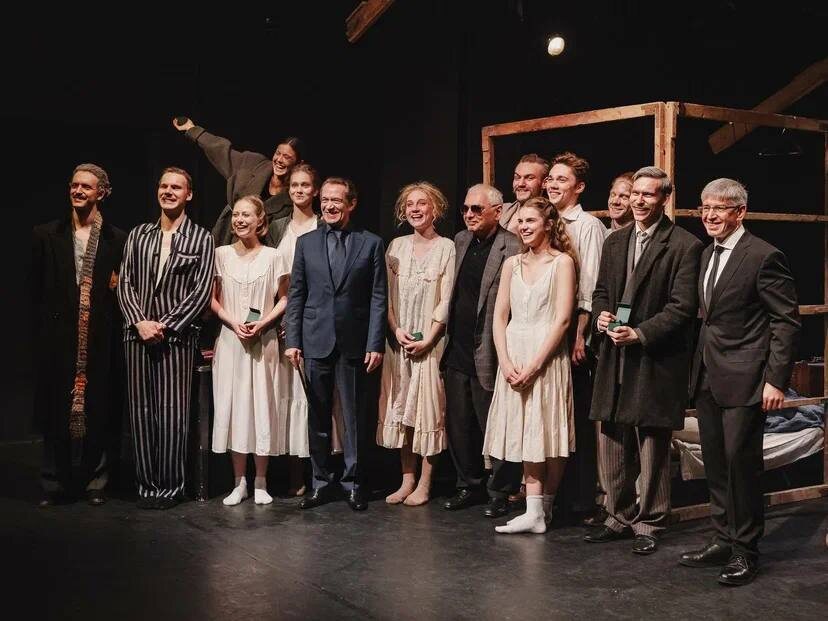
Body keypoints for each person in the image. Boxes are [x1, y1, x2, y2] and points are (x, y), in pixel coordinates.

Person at [679, 178, 800, 586]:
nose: (710, 215)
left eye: (719, 208)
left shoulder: (764, 256)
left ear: (740, 212)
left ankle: (745, 551)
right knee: (715, 462)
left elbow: (785, 322)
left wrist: (775, 381)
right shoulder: (705, 253)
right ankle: (723, 539)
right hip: (709, 375)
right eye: (705, 208)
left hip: (747, 378)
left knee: (740, 465)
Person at [585, 166, 702, 553]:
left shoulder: (684, 245)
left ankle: (649, 522)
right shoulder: (615, 241)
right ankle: (616, 515)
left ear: (664, 199)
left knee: (651, 440)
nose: (638, 200)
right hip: (614, 353)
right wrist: (601, 317)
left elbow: (683, 307)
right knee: (611, 434)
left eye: (648, 194)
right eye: (635, 193)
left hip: (654, 358)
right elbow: (602, 292)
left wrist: (641, 333)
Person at [284, 177, 387, 511]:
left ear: (351, 204)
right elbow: (296, 294)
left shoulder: (370, 243)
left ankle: (353, 483)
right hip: (315, 340)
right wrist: (292, 339)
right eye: (325, 200)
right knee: (317, 416)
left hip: (354, 342)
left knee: (354, 417)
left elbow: (378, 297)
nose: (329, 206)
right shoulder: (306, 243)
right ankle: (320, 482)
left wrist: (375, 343)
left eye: (336, 201)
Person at [117, 167, 215, 509]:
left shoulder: (201, 238)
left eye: (176, 187)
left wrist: (165, 325)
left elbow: (200, 292)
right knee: (141, 412)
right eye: (164, 186)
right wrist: (139, 322)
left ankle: (170, 488)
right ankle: (147, 486)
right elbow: (125, 283)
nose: (168, 191)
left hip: (175, 339)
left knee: (172, 413)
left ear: (189, 194)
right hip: (137, 336)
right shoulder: (138, 235)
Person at [32, 164, 127, 506]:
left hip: (100, 333)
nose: (78, 191)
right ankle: (54, 482)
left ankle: (96, 481)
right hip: (58, 335)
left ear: (102, 192)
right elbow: (35, 289)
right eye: (74, 185)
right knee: (55, 406)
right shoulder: (46, 234)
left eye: (86, 186)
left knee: (100, 405)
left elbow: (121, 287)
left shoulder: (117, 239)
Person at [483, 197, 577, 533]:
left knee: (547, 429)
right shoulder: (512, 264)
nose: (523, 227)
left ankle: (542, 508)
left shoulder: (562, 263)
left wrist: (536, 365)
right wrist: (505, 360)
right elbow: (499, 316)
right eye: (520, 221)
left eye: (530, 221)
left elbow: (563, 319)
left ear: (548, 225)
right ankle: (535, 510)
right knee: (526, 429)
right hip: (515, 351)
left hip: (545, 355)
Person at [441, 183, 523, 518]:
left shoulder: (512, 245)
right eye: (465, 209)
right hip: (458, 348)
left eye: (477, 209)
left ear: (497, 212)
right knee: (459, 424)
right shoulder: (461, 240)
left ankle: (501, 490)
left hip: (490, 349)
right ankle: (468, 484)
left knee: (495, 423)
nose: (469, 215)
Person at [378, 182, 455, 506]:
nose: (415, 209)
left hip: (430, 345)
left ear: (435, 208)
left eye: (422, 203)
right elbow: (385, 296)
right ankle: (406, 479)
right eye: (410, 204)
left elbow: (447, 299)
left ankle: (425, 482)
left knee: (428, 412)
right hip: (399, 344)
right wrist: (395, 330)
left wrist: (430, 338)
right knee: (402, 410)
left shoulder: (446, 247)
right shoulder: (395, 246)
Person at [210, 196, 291, 506]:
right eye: (237, 215)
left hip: (262, 342)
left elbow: (284, 298)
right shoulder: (221, 254)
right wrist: (233, 322)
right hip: (231, 343)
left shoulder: (273, 256)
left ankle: (260, 481)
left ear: (260, 220)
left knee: (260, 408)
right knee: (234, 408)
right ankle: (238, 482)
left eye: (246, 215)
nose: (240, 220)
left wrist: (262, 323)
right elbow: (212, 299)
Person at [272, 164, 345, 496]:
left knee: (316, 399)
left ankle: (326, 471)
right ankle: (295, 473)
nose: (299, 190)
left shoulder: (324, 224)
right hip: (280, 322)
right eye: (294, 185)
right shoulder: (277, 227)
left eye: (305, 185)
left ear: (315, 191)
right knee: (288, 396)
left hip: (317, 326)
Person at [544, 151, 607, 523]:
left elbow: (591, 287)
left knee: (577, 415)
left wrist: (581, 335)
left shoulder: (588, 226)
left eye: (562, 179)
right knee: (554, 414)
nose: (553, 184)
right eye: (551, 178)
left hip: (574, 331)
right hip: (548, 326)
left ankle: (582, 500)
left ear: (579, 187)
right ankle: (555, 495)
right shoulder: (546, 221)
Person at [172, 116, 302, 247]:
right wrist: (193, 130)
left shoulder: (296, 195)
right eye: (278, 153)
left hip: (264, 248)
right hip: (228, 237)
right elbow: (220, 150)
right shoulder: (254, 164)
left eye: (287, 157)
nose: (279, 160)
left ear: (298, 163)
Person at [499, 154, 549, 235]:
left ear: (544, 183)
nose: (521, 184)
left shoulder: (551, 216)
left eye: (529, 178)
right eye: (517, 177)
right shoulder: (502, 210)